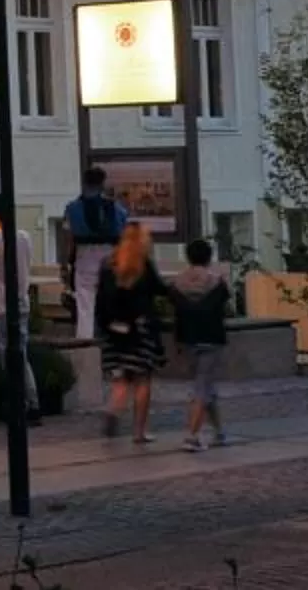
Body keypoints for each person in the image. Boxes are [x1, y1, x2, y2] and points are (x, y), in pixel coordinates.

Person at [0, 192, 44, 422]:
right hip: (21, 303)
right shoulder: (24, 237)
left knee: (5, 357)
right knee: (21, 354)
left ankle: (17, 403)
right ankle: (33, 403)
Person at [94, 219, 166, 442]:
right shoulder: (143, 264)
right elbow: (161, 290)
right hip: (139, 329)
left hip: (112, 330)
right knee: (142, 380)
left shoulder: (108, 264)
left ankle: (113, 409)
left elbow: (100, 299)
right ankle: (139, 431)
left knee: (121, 378)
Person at [167, 236, 232, 451]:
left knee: (204, 386)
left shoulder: (177, 283)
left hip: (187, 339)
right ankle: (192, 436)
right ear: (209, 257)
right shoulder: (217, 281)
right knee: (203, 388)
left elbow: (174, 308)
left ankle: (220, 432)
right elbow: (226, 304)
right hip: (212, 338)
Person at [59, 165, 126, 342]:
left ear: (84, 183)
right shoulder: (116, 208)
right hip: (111, 256)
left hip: (85, 255)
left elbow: (68, 238)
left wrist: (64, 264)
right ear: (103, 183)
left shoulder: (73, 208)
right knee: (112, 300)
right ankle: (113, 340)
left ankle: (85, 342)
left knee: (85, 303)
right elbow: (124, 235)